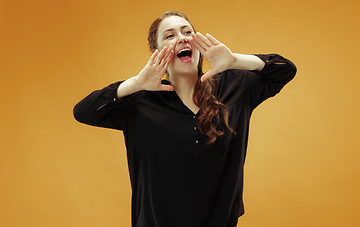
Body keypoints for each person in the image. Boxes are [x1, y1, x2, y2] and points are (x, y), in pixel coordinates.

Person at [73, 11, 297, 227]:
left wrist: (235, 60)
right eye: (170, 35)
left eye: (187, 32)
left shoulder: (234, 86)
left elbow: (285, 70)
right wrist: (137, 83)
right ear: (156, 51)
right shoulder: (139, 102)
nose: (182, 39)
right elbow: (83, 111)